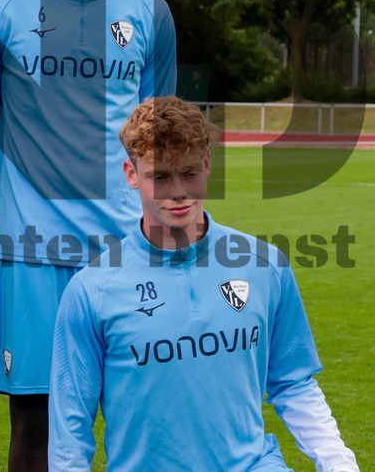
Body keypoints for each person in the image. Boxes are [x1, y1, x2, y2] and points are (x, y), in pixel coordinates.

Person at [0, 0, 177, 470]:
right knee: (37, 420)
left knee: (143, 406)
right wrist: (12, 201)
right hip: (34, 253)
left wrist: (150, 218)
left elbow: (158, 131)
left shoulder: (147, 9)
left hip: (127, 248)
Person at [49, 96, 359, 471]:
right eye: (160, 176)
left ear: (208, 165)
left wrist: (340, 463)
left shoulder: (265, 265)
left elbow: (294, 382)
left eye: (190, 172)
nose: (178, 192)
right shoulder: (91, 290)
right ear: (131, 174)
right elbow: (71, 424)